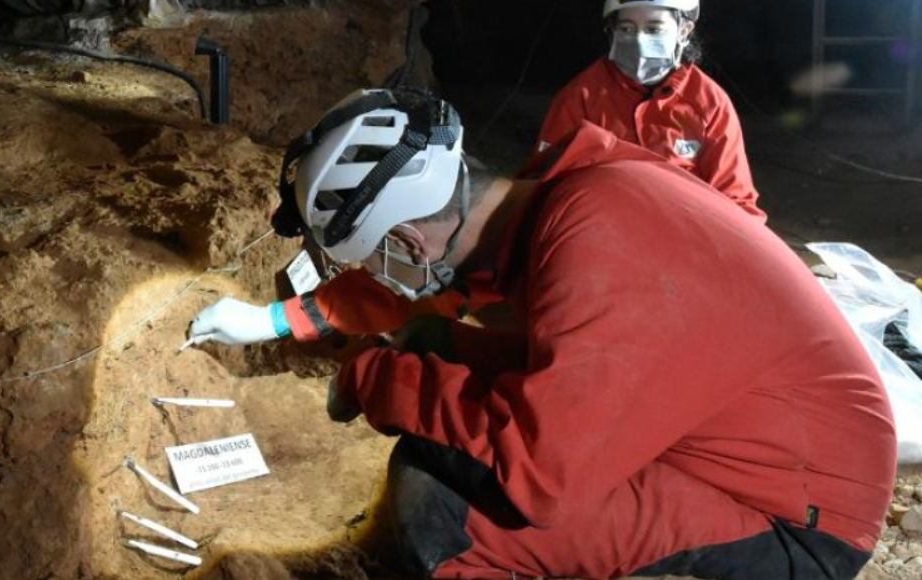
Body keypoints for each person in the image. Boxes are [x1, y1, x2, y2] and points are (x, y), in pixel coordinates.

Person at [189, 89, 895, 579]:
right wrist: (428, 344)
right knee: (447, 385)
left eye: (375, 259)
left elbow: (538, 475)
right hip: (745, 443)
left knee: (453, 513)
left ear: (406, 240)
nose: (379, 275)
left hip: (796, 519)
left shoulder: (600, 238)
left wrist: (381, 380)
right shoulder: (555, 205)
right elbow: (531, 344)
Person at [537, 0, 766, 221]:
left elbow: (736, 200)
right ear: (612, 31)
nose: (638, 39)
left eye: (654, 29)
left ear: (684, 30)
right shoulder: (581, 96)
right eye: (626, 28)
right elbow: (545, 186)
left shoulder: (709, 102)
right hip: (605, 230)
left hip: (684, 231)